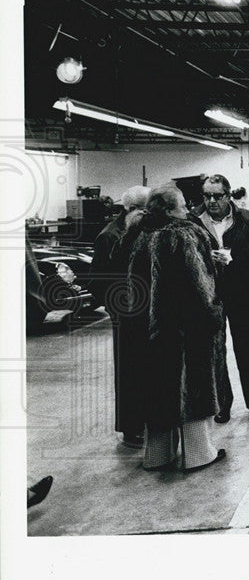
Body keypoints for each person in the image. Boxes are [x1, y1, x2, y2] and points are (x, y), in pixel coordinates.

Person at [119, 186, 227, 472]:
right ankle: (199, 455)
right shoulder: (184, 234)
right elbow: (200, 288)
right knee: (193, 390)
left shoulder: (138, 234)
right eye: (180, 204)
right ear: (168, 210)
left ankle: (158, 456)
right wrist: (214, 314)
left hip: (147, 331)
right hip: (187, 330)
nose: (186, 209)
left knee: (158, 392)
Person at [198, 174, 249, 422]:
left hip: (244, 295)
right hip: (211, 298)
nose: (211, 201)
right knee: (215, 353)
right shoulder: (195, 222)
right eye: (207, 196)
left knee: (248, 350)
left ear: (228, 196)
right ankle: (222, 405)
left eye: (217, 196)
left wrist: (247, 273)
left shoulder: (247, 220)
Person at [91, 185, 150, 448]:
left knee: (143, 369)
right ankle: (131, 428)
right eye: (145, 209)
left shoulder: (137, 229)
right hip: (126, 315)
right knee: (128, 372)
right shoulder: (110, 236)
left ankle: (145, 422)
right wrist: (117, 307)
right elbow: (97, 281)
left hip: (144, 312)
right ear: (131, 209)